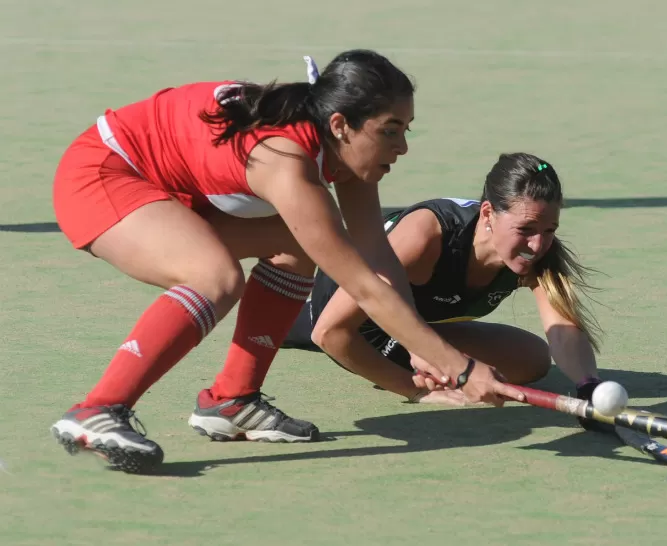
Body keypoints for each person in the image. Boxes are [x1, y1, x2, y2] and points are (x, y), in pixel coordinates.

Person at [49, 49, 523, 474]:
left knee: (292, 246)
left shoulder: (346, 154)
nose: (402, 147)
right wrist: (459, 367)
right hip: (104, 173)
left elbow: (375, 257)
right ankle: (99, 409)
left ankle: (232, 399)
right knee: (214, 276)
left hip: (173, 187)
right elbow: (360, 284)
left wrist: (419, 344)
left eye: (405, 129)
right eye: (390, 131)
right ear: (340, 125)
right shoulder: (285, 161)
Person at [282, 152, 608, 409]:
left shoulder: (539, 252)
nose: (537, 245)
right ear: (487, 214)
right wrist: (413, 390)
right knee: (323, 331)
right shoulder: (427, 237)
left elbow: (563, 330)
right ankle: (292, 321)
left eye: (549, 230)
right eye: (525, 230)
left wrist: (588, 385)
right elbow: (331, 332)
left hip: (415, 321)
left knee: (531, 360)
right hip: (351, 320)